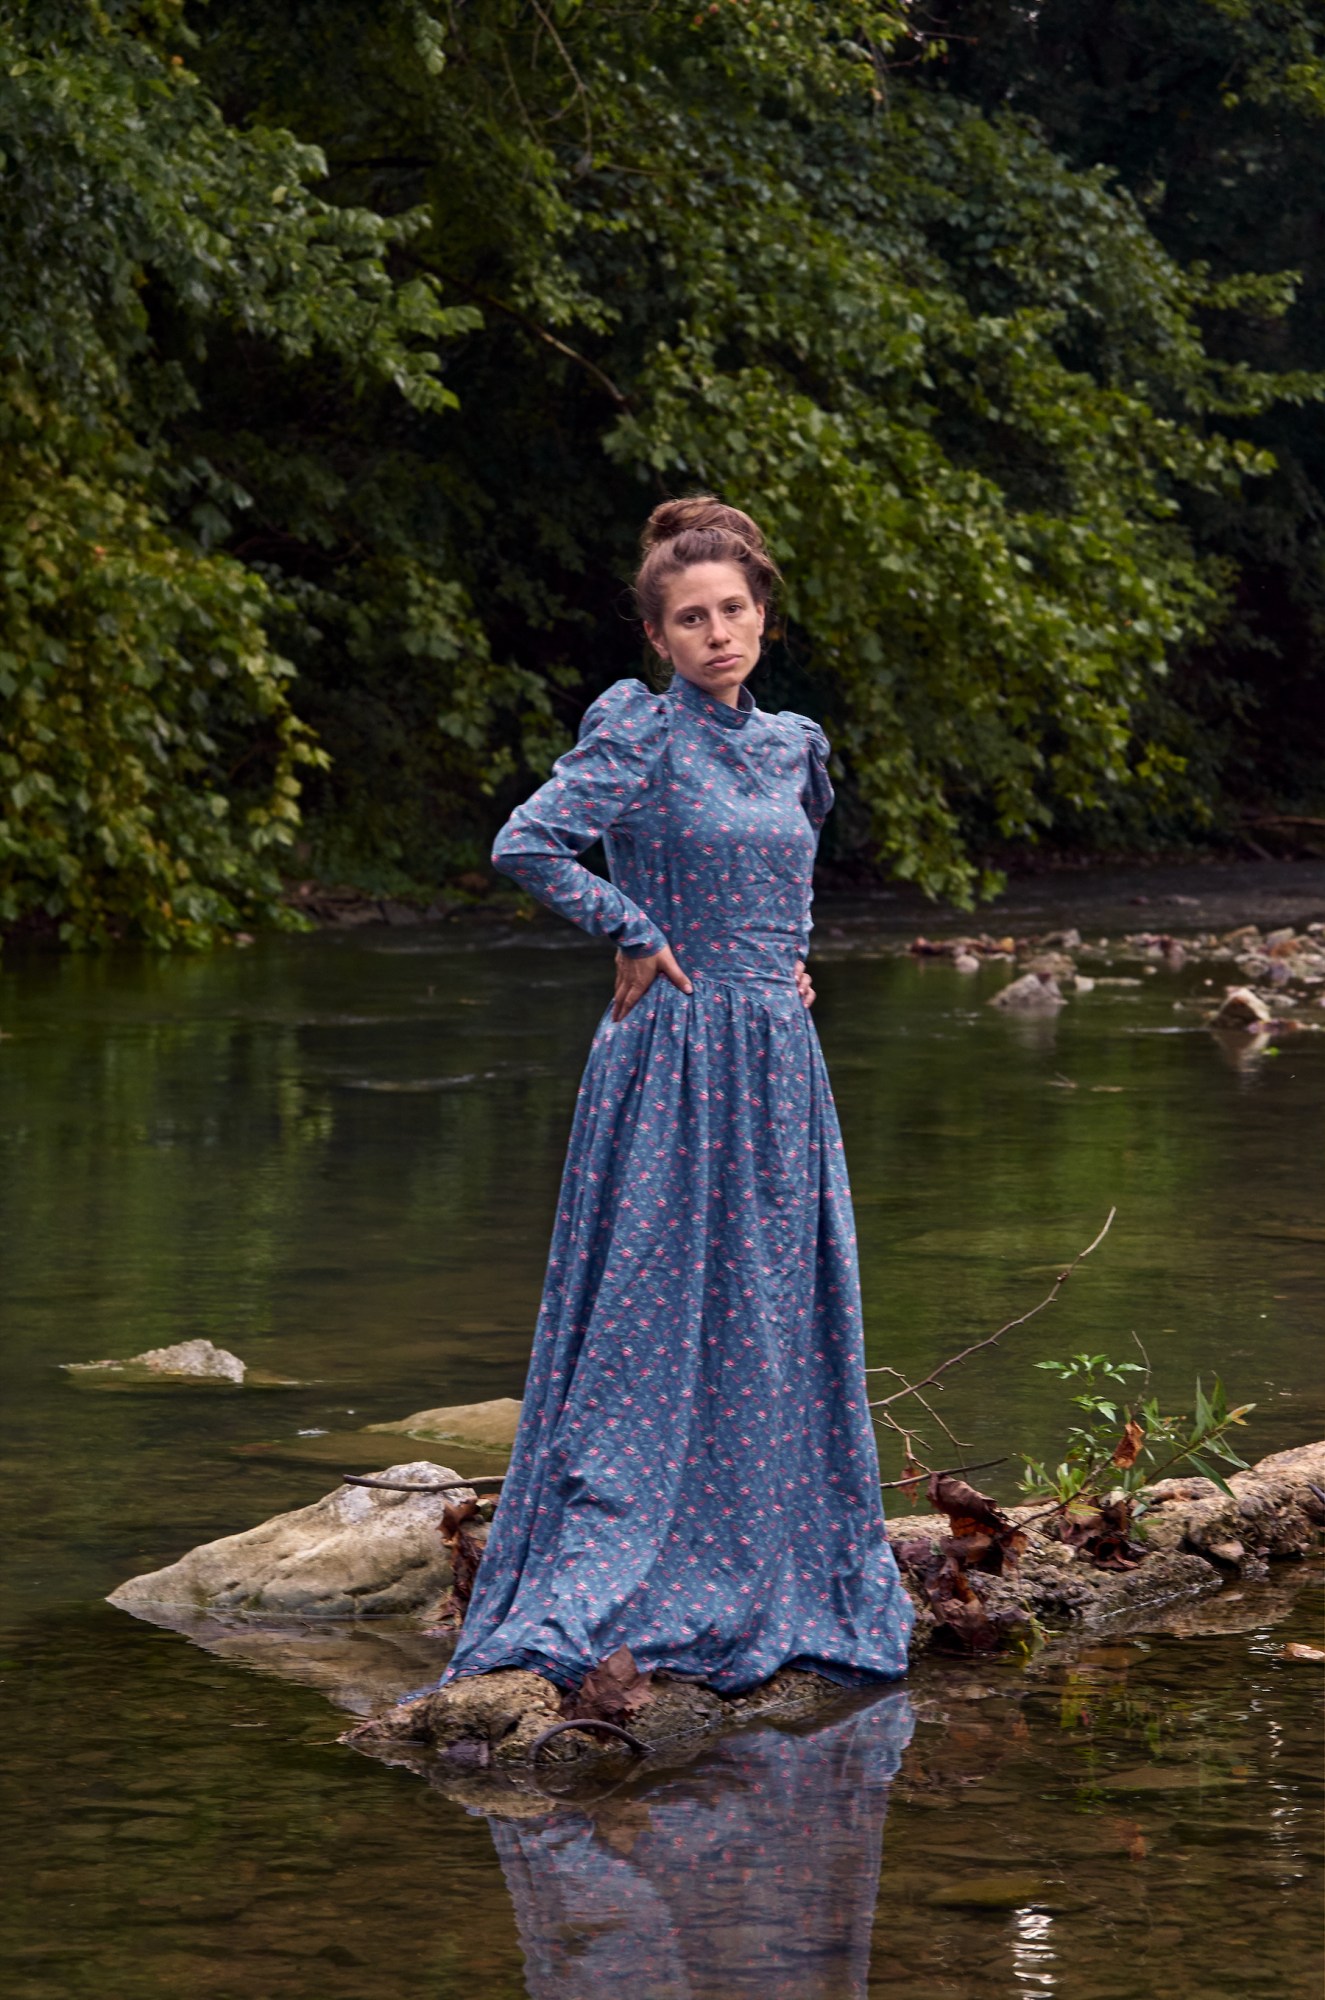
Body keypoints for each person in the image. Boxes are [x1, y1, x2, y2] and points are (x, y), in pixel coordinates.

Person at [444, 496, 914, 1692]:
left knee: (769, 1311)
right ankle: (628, 1564)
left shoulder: (795, 743)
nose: (717, 633)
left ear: (762, 615)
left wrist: (786, 962)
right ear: (656, 636)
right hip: (672, 1058)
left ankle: (773, 1553)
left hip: (776, 1061)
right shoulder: (636, 732)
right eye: (691, 618)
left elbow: (783, 880)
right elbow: (526, 841)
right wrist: (632, 924)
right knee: (649, 1322)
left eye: (734, 611)